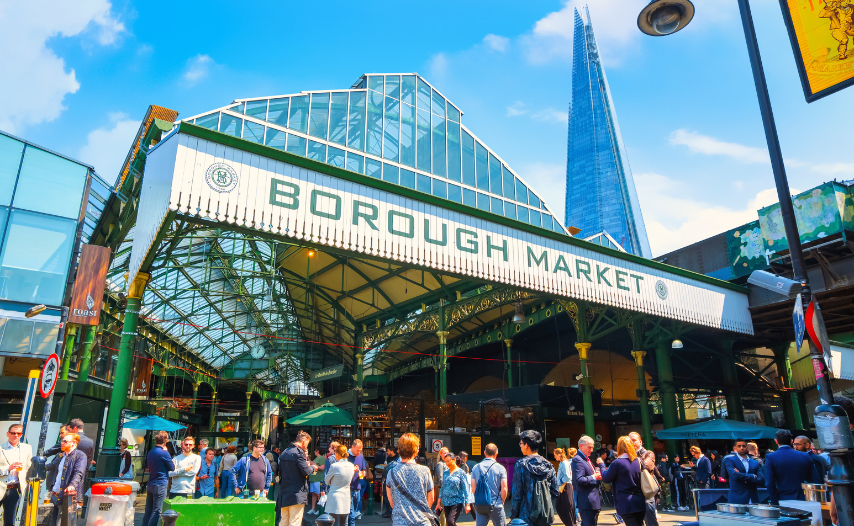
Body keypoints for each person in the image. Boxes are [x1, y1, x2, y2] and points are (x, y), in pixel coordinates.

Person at [384, 432, 435, 526]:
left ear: (398, 449)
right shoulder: (425, 471)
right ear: (417, 450)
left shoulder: (391, 473)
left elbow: (391, 502)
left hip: (400, 522)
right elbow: (431, 499)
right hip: (422, 521)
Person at [510, 430, 558, 525]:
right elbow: (555, 490)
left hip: (526, 516)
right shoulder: (548, 465)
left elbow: (517, 494)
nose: (520, 446)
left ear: (526, 445)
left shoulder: (521, 464)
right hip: (545, 515)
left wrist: (514, 516)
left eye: (521, 443)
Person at [764, 429, 821, 504]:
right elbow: (816, 480)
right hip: (804, 498)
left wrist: (775, 503)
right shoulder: (805, 456)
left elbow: (769, 483)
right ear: (791, 441)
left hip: (783, 498)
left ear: (776, 441)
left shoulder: (771, 457)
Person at [601, 436, 646, 526]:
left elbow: (606, 478)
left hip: (625, 501)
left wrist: (602, 465)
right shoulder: (639, 461)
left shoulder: (617, 463)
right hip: (640, 500)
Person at [277, 430, 317, 526]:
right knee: (294, 522)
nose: (307, 446)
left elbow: (279, 471)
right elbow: (306, 471)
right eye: (307, 443)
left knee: (283, 522)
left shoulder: (285, 452)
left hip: (284, 493)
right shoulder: (299, 453)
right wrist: (313, 467)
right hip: (297, 493)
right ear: (303, 441)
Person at [49, 432, 87, 526]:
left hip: (67, 496)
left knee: (63, 523)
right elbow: (51, 467)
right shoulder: (61, 456)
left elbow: (79, 473)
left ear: (73, 443)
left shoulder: (80, 455)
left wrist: (72, 485)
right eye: (62, 440)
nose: (62, 443)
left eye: (65, 441)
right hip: (55, 494)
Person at [0, 423, 32, 526]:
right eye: (13, 433)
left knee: (10, 521)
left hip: (15, 489)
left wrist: (25, 484)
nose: (16, 436)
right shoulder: (1, 448)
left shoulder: (27, 448)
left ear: (21, 435)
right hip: (1, 487)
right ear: (7, 434)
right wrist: (7, 469)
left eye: (19, 433)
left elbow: (28, 467)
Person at [141, 431, 175, 526]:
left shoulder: (151, 452)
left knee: (148, 510)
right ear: (166, 440)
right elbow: (172, 468)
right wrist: (167, 452)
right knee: (157, 511)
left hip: (151, 483)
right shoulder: (164, 453)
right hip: (160, 483)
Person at [471, 443, 508, 526]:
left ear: (484, 453)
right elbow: (504, 488)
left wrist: (479, 499)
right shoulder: (501, 468)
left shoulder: (476, 467)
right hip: (496, 504)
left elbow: (473, 488)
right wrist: (502, 501)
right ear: (496, 454)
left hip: (481, 505)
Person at [722, 438, 763, 504]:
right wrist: (752, 476)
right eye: (739, 446)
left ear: (747, 447)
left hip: (753, 499)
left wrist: (740, 474)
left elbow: (761, 480)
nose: (741, 448)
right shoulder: (730, 460)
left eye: (743, 446)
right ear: (735, 448)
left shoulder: (754, 462)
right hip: (737, 499)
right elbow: (734, 476)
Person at [629, 432, 657, 526]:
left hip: (646, 493)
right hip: (633, 493)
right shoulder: (627, 455)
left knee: (650, 521)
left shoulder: (648, 453)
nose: (631, 442)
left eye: (634, 440)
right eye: (629, 441)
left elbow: (644, 466)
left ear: (640, 442)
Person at [436, 452, 472, 526]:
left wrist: (467, 504)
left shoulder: (461, 473)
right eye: (446, 461)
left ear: (454, 460)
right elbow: (442, 488)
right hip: (446, 502)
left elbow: (466, 489)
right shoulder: (445, 472)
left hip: (457, 501)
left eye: (449, 461)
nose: (447, 463)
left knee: (450, 521)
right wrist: (438, 503)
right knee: (449, 523)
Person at [573, 435, 602, 526]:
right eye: (589, 447)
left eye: (592, 447)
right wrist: (594, 477)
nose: (592, 450)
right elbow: (579, 480)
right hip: (587, 502)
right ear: (581, 446)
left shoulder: (585, 459)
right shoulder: (578, 459)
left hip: (591, 501)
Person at [326, 444, 355, 526]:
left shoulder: (334, 466)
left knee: (334, 522)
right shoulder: (351, 466)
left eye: (335, 453)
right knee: (344, 523)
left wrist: (333, 481)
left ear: (338, 454)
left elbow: (326, 481)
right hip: (346, 496)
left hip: (335, 496)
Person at [553, 448, 576, 526]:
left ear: (559, 454)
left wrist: (559, 482)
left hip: (566, 486)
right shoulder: (561, 463)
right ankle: (569, 523)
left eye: (555, 455)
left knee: (567, 507)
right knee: (561, 506)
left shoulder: (565, 463)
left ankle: (571, 523)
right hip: (563, 486)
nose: (554, 457)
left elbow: (567, 476)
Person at [348, 439, 368, 525]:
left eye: (360, 450)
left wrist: (364, 473)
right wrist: (352, 470)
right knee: (351, 515)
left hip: (357, 487)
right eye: (357, 450)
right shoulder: (346, 456)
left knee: (354, 514)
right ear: (352, 447)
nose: (359, 452)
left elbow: (363, 469)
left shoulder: (360, 456)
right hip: (349, 488)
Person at [308, 447, 327, 514]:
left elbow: (322, 467)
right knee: (313, 494)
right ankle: (313, 509)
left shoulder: (321, 458)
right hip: (313, 478)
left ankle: (320, 509)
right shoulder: (317, 458)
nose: (314, 452)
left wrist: (314, 465)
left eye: (315, 451)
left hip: (318, 478)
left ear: (318, 451)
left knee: (318, 494)